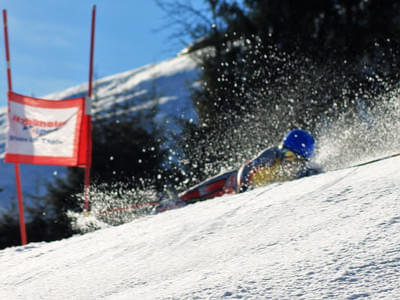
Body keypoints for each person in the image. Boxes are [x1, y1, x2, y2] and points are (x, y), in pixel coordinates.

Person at [156, 129, 322, 211]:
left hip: (238, 198)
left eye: (293, 158)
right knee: (194, 196)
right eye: (285, 153)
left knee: (205, 207)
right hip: (232, 182)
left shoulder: (301, 174)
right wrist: (243, 187)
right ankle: (169, 204)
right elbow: (247, 167)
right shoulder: (271, 155)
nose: (287, 161)